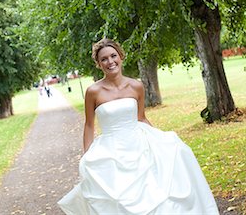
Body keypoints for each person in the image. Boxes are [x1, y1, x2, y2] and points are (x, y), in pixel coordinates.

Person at [58, 38, 219, 214]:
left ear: (121, 56)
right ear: (98, 64)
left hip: (138, 144)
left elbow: (141, 118)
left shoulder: (136, 86)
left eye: (113, 56)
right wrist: (86, 158)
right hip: (111, 152)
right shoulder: (93, 92)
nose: (110, 62)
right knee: (118, 199)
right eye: (104, 59)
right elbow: (89, 126)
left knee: (156, 194)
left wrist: (160, 141)